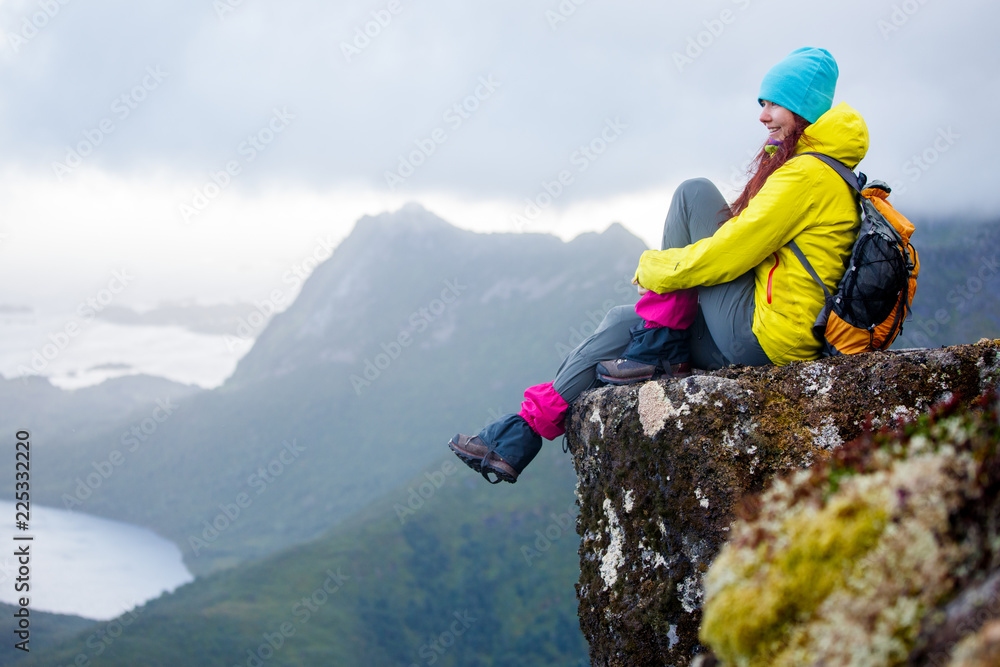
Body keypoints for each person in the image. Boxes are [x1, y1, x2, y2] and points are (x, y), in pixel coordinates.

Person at [449, 47, 868, 484]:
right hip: (763, 332)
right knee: (619, 322)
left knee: (694, 193)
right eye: (761, 103)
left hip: (765, 340)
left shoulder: (808, 176)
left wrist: (653, 267)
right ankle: (522, 434)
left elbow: (727, 255)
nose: (763, 116)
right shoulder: (814, 169)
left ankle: (660, 342)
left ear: (804, 108)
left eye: (774, 103)